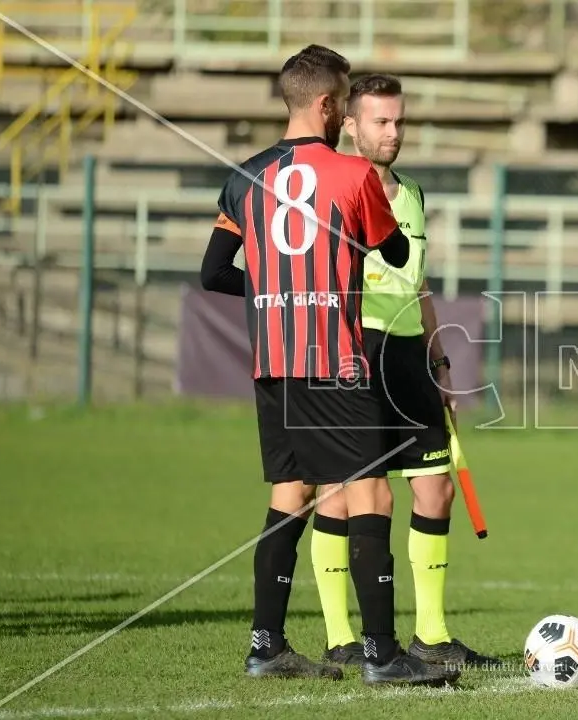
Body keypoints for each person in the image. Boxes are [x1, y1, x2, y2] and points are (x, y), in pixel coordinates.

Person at [198, 44, 455, 687]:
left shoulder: (243, 177)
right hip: (334, 359)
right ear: (326, 104)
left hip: (273, 362)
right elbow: (393, 251)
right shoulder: (351, 174)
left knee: (292, 493)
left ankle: (267, 645)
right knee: (370, 492)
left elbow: (212, 273)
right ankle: (382, 654)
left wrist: (273, 290)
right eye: (343, 100)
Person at [307, 72, 500, 671]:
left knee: (435, 489)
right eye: (380, 122)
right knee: (341, 495)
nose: (392, 133)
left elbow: (416, 283)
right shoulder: (331, 188)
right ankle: (342, 638)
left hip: (410, 354)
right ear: (350, 123)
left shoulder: (412, 193)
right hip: (350, 349)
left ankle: (433, 636)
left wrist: (439, 358)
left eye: (399, 121)